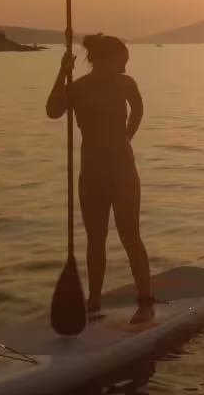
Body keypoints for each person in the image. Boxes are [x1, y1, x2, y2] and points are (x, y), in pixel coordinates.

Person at [46, 33, 157, 322]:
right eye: (121, 61)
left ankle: (145, 302)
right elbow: (52, 111)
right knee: (95, 239)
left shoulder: (125, 83)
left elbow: (139, 109)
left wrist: (128, 136)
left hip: (122, 169)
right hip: (92, 172)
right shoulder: (79, 88)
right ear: (102, 60)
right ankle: (93, 303)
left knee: (130, 235)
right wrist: (62, 73)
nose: (124, 67)